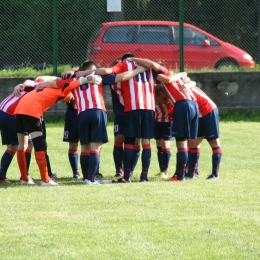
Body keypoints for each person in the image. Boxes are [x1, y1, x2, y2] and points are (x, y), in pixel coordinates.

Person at [87, 53, 186, 183]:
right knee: (146, 142)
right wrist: (183, 75)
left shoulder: (124, 64)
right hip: (149, 108)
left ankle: (126, 176)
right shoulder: (148, 66)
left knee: (130, 141)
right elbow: (166, 79)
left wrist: (87, 73)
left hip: (133, 107)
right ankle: (144, 176)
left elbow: (106, 71)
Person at [45, 62, 147, 185]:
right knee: (95, 147)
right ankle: (91, 179)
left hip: (82, 113)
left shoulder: (75, 78)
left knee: (84, 148)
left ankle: (85, 178)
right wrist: (138, 70)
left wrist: (37, 84)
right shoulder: (99, 77)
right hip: (98, 111)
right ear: (93, 69)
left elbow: (53, 81)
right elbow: (123, 77)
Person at [13, 75, 99, 185]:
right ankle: (45, 179)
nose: (68, 100)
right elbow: (72, 83)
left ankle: (24, 178)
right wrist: (87, 79)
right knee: (40, 145)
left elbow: (26, 87)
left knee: (22, 145)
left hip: (20, 108)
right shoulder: (63, 88)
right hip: (32, 109)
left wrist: (20, 85)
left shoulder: (45, 87)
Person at [125, 57, 199, 182]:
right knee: (187, 142)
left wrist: (133, 59)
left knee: (181, 143)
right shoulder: (177, 77)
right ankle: (185, 173)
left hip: (183, 105)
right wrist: (183, 75)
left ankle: (180, 176)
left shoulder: (166, 75)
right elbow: (191, 81)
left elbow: (155, 68)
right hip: (193, 105)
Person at [187, 86, 222, 179]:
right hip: (197, 114)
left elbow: (186, 77)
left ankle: (215, 174)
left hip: (207, 110)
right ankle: (193, 172)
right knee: (193, 142)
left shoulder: (174, 82)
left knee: (214, 142)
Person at [154, 84, 174, 179]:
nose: (156, 102)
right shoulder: (153, 91)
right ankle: (161, 170)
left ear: (161, 94)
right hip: (157, 121)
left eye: (157, 100)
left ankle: (165, 172)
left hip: (168, 122)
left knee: (165, 144)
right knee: (158, 144)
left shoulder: (170, 97)